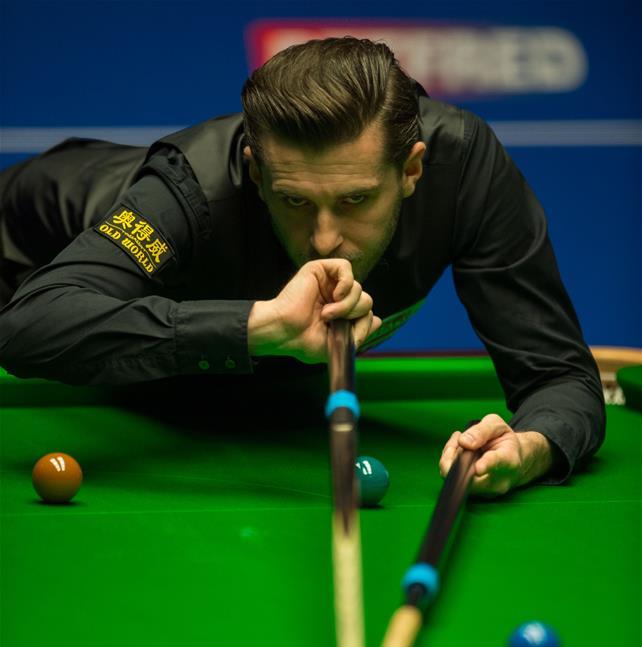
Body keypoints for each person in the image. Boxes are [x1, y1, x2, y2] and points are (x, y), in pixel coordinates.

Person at [0, 37, 604, 497]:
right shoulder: (189, 194)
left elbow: (560, 377)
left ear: (412, 171)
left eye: (356, 199)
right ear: (257, 172)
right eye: (294, 200)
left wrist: (535, 447)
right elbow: (30, 324)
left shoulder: (465, 170)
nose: (325, 237)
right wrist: (255, 328)